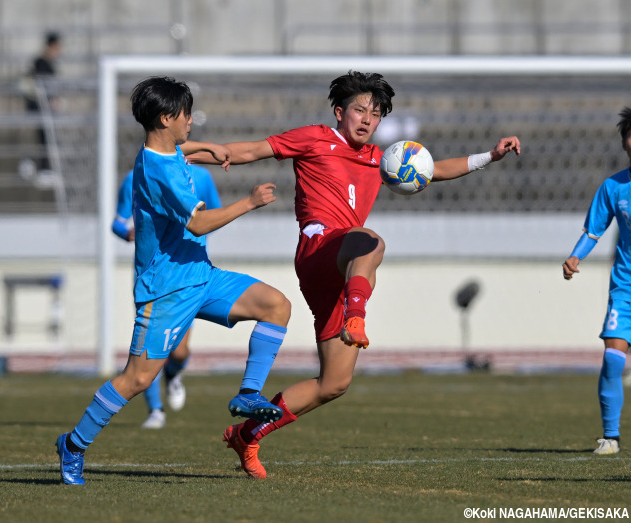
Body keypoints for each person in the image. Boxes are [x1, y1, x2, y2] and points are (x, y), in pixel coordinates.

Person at [188, 70, 521, 478]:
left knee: (334, 382)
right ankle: (356, 315)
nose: (367, 119)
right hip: (319, 250)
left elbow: (433, 169)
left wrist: (490, 156)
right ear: (339, 111)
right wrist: (178, 153)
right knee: (371, 240)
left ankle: (247, 435)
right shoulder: (314, 138)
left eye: (376, 114)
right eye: (360, 110)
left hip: (342, 269)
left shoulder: (380, 160)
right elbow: (247, 151)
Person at [56, 76, 291, 485]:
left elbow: (182, 151)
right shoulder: (157, 171)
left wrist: (208, 149)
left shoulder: (164, 152)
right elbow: (198, 224)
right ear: (166, 118)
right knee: (137, 379)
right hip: (165, 292)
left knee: (276, 305)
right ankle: (73, 445)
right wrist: (248, 202)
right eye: (186, 115)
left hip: (201, 278)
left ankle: (248, 393)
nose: (191, 121)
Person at [112, 165, 222, 429]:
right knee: (151, 347)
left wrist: (194, 229)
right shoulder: (136, 175)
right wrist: (127, 232)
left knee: (180, 350)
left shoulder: (201, 177)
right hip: (152, 273)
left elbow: (215, 213)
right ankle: (155, 411)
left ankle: (173, 374)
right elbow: (117, 221)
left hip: (188, 272)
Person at [562, 106, 631, 456]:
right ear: (624, 142)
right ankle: (611, 437)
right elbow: (594, 231)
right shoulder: (614, 187)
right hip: (625, 288)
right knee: (613, 359)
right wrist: (576, 256)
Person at [23, 31, 62, 170]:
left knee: (46, 138)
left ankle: (44, 168)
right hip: (40, 108)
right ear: (51, 46)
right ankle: (42, 168)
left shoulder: (47, 63)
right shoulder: (40, 63)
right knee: (43, 138)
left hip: (45, 108)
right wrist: (50, 100)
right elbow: (36, 85)